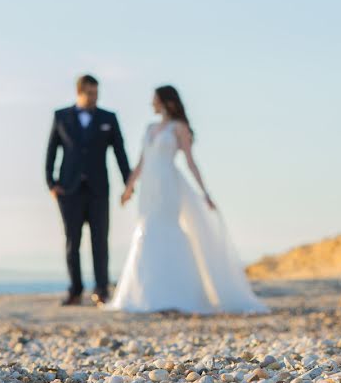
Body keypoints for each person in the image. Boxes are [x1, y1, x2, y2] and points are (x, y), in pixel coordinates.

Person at [107, 85, 268, 314]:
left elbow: (191, 162)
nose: (152, 104)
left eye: (155, 100)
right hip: (148, 188)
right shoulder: (150, 127)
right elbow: (141, 162)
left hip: (168, 185)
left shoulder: (179, 128)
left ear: (165, 102)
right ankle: (144, 293)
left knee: (167, 229)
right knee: (146, 230)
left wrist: (205, 193)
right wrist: (128, 188)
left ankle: (176, 293)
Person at [45, 74, 131, 305]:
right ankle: (75, 290)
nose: (94, 98)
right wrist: (51, 184)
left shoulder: (108, 118)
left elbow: (120, 152)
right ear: (79, 92)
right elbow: (51, 151)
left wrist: (128, 183)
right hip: (68, 190)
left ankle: (101, 289)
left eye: (96, 93)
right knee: (72, 241)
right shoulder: (61, 116)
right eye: (90, 93)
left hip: (98, 189)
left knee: (99, 240)